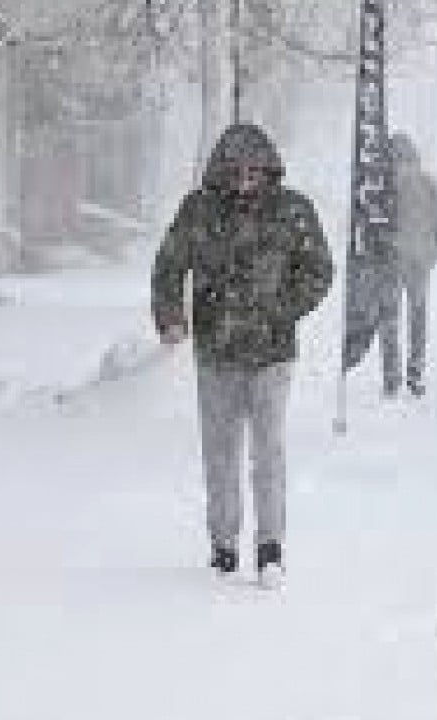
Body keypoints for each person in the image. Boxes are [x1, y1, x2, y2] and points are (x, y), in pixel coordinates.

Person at [151, 123, 334, 583]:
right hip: (216, 351)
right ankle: (223, 544)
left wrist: (285, 310)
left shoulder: (292, 210)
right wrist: (172, 317)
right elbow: (169, 265)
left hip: (272, 354)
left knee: (268, 450)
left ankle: (270, 546)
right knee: (220, 452)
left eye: (254, 170)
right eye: (236, 170)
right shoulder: (199, 211)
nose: (245, 179)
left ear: (269, 168)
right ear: (222, 169)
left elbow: (319, 268)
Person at [379, 132, 437, 398]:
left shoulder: (384, 185)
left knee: (389, 318)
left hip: (392, 259)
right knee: (417, 317)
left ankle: (391, 378)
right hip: (420, 260)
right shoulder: (429, 183)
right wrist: (433, 253)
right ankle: (415, 373)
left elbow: (376, 224)